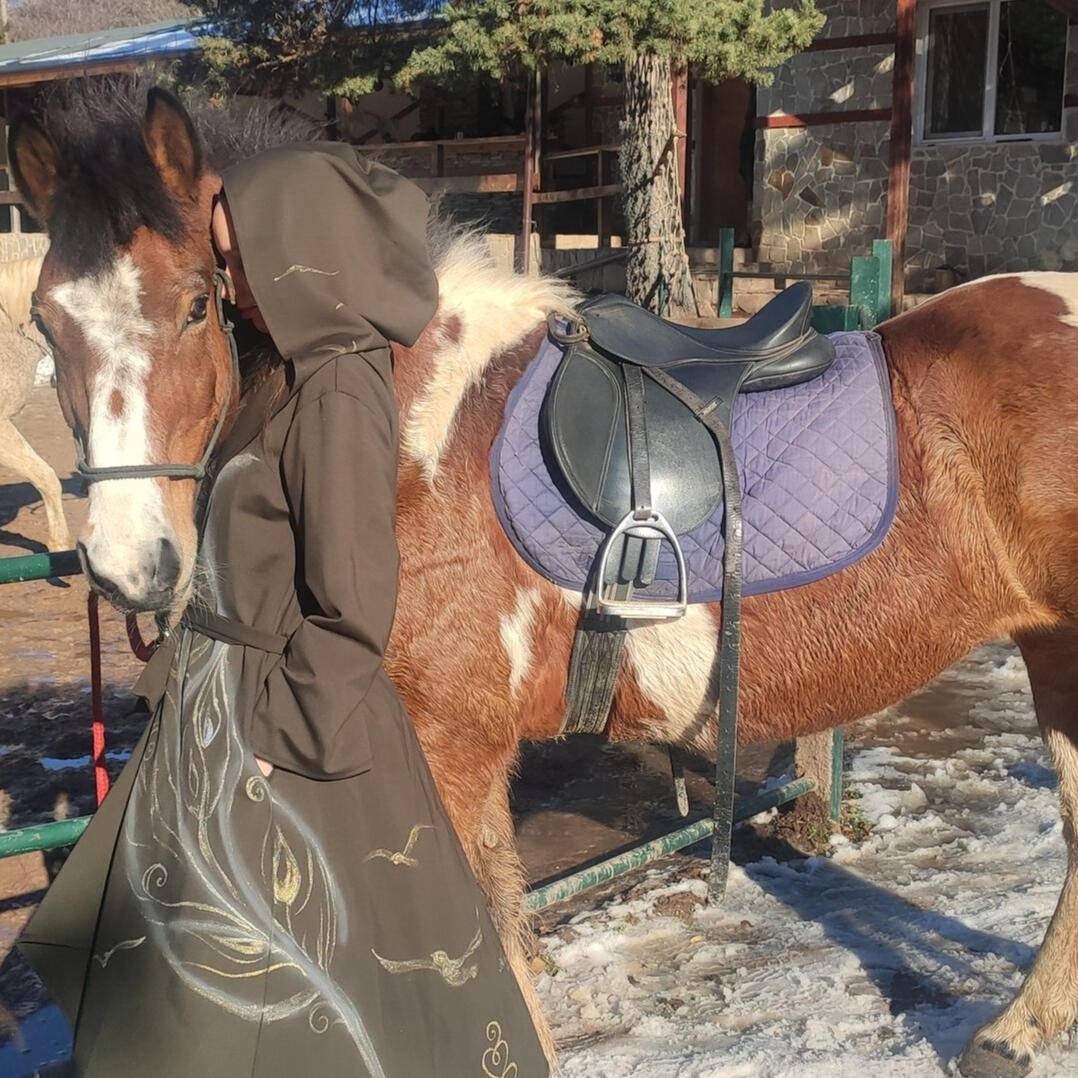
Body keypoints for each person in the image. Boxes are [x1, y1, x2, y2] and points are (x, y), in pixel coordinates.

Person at [18, 142, 550, 1077]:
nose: (228, 280)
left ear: (299, 248)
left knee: (312, 972)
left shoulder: (339, 386)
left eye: (238, 256)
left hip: (281, 727)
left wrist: (273, 743)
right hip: (237, 703)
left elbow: (354, 600)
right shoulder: (281, 369)